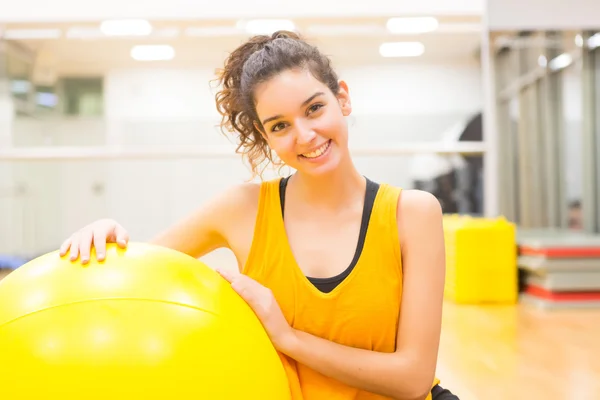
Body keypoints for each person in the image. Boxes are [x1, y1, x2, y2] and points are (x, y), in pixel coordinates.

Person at [59, 31, 456, 400]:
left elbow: (413, 378)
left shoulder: (413, 213)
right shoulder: (241, 209)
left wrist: (288, 338)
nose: (304, 135)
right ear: (264, 135)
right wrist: (109, 236)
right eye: (280, 125)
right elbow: (141, 272)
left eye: (314, 108)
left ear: (343, 99)